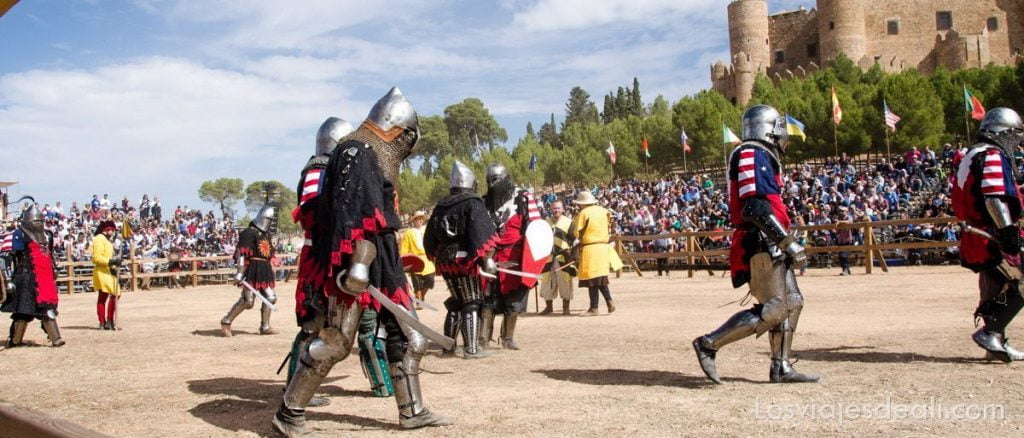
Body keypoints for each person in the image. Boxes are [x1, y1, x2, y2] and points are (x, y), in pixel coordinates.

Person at [273, 87, 453, 436]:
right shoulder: (357, 150)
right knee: (336, 341)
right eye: (406, 140)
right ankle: (289, 413)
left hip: (382, 259)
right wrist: (356, 265)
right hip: (357, 258)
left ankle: (412, 411)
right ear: (397, 131)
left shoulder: (368, 153)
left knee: (410, 337)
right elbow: (350, 214)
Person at [692, 104, 819, 384]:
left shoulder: (763, 155)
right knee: (774, 307)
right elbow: (754, 208)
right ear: (768, 129)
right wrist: (787, 242)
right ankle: (708, 344)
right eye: (779, 129)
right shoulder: (751, 152)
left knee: (793, 302)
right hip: (760, 239)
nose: (784, 135)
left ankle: (781, 367)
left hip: (771, 240)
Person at [286, 116, 358, 407]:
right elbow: (312, 213)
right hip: (317, 255)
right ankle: (294, 385)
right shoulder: (317, 169)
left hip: (327, 253)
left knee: (323, 321)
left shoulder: (329, 169)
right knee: (312, 322)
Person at [951, 108, 1024, 362]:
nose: (1016, 141)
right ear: (1005, 132)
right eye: (1015, 135)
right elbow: (993, 196)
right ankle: (990, 332)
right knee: (1021, 281)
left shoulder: (972, 153)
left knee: (997, 287)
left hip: (978, 232)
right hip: (990, 232)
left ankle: (996, 342)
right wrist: (1007, 230)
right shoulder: (991, 154)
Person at [423, 161, 498, 359]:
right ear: (471, 183)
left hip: (445, 260)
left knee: (456, 302)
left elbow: (429, 239)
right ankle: (471, 349)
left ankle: (448, 347)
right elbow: (482, 234)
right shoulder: (472, 202)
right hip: (465, 261)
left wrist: (438, 255)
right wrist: (485, 260)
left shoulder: (441, 205)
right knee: (471, 302)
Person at [482, 163, 543, 350]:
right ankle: (483, 339)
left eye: (496, 180)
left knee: (514, 298)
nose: (492, 185)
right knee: (488, 299)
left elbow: (535, 226)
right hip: (490, 256)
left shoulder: (523, 198)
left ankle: (507, 338)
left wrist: (533, 258)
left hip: (514, 256)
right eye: (489, 181)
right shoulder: (485, 201)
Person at [2, 198, 65, 348]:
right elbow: (5, 259)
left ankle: (55, 338)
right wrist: (7, 280)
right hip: (24, 276)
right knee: (23, 310)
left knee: (47, 308)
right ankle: (16, 339)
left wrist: (54, 269)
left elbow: (49, 255)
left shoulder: (47, 235)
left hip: (43, 277)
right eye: (34, 220)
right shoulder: (18, 235)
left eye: (39, 220)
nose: (37, 223)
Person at [220, 204, 279, 336]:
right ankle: (226, 320)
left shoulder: (266, 235)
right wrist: (240, 272)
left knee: (271, 298)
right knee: (248, 302)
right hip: (252, 269)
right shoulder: (249, 232)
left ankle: (265, 326)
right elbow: (242, 253)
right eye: (268, 219)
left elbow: (268, 253)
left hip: (264, 269)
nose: (269, 223)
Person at [571, 191, 615, 316]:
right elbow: (610, 227)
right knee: (600, 277)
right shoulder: (604, 211)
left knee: (592, 279)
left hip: (590, 248)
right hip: (603, 247)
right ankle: (609, 301)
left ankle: (594, 308)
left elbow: (576, 232)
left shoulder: (584, 213)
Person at [539, 200, 574, 315]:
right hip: (548, 257)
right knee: (547, 282)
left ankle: (566, 308)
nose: (557, 210)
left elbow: (574, 240)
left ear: (563, 209)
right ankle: (549, 307)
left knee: (565, 281)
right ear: (551, 209)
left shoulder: (569, 222)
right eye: (554, 208)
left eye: (559, 208)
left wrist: (573, 255)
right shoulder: (545, 223)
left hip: (563, 256)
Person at [400, 210, 435, 310]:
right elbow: (404, 249)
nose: (420, 220)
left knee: (430, 280)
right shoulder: (409, 233)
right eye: (418, 219)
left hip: (427, 260)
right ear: (414, 221)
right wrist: (405, 260)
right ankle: (419, 301)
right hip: (415, 260)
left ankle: (421, 297)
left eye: (421, 219)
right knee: (417, 283)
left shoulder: (427, 231)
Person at [93, 220, 122, 330]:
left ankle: (107, 321)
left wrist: (114, 265)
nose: (113, 232)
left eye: (113, 230)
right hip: (102, 270)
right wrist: (111, 262)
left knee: (110, 295)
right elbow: (97, 258)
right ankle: (105, 321)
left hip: (107, 270)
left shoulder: (107, 241)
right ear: (106, 230)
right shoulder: (99, 239)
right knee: (112, 294)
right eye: (111, 230)